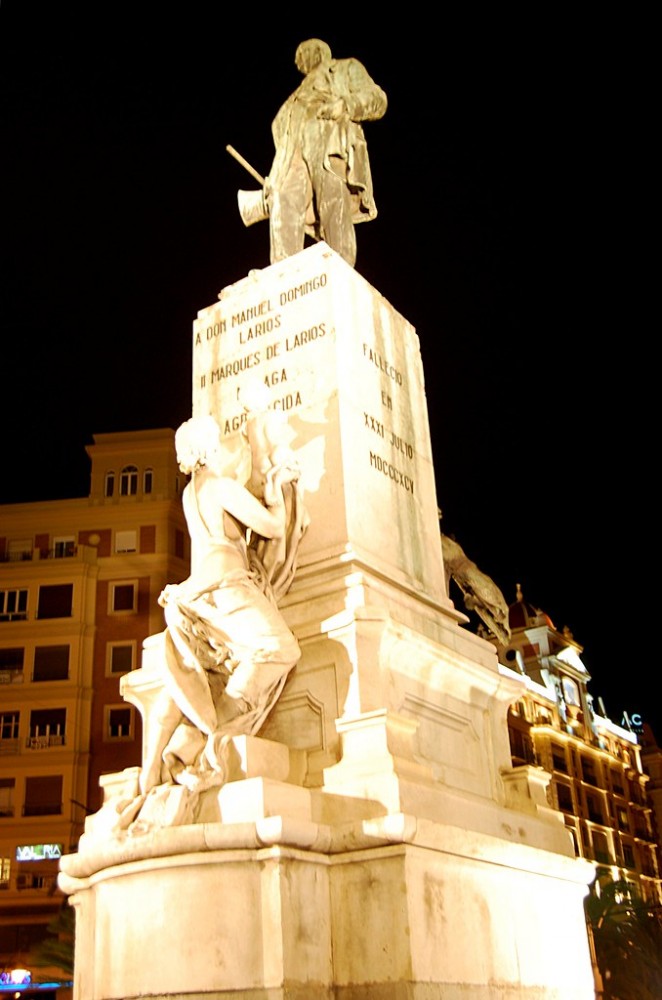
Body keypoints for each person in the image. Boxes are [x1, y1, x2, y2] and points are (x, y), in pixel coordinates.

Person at [139, 413, 307, 800]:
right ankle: (213, 726)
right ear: (209, 447)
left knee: (204, 670)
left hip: (197, 593)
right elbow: (273, 526)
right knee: (280, 648)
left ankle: (179, 746)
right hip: (226, 589)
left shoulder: (190, 492)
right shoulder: (218, 487)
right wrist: (278, 488)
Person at [266, 38, 387, 267]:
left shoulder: (344, 67)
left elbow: (377, 98)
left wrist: (346, 104)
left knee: (332, 198)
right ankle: (283, 270)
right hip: (293, 148)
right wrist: (274, 173)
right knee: (283, 199)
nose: (299, 61)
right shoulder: (296, 95)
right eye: (298, 58)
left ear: (320, 52)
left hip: (329, 137)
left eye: (304, 53)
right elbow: (281, 129)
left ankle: (340, 265)